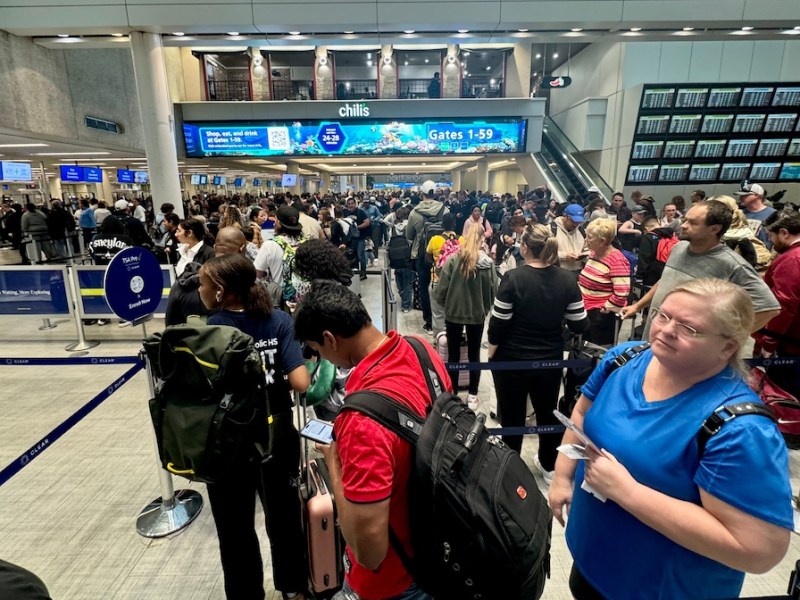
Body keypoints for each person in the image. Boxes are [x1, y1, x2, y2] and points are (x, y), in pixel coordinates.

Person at [549, 278, 793, 600]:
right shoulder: (623, 359)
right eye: (663, 316)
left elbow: (757, 550)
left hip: (661, 588)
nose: (665, 330)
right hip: (592, 561)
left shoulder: (741, 430)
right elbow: (581, 415)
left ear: (728, 347)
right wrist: (562, 476)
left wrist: (628, 492)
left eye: (689, 328)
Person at [293, 280, 452, 600]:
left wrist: (334, 463)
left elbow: (369, 553)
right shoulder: (422, 350)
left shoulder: (361, 420)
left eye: (317, 350)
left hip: (394, 581)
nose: (321, 357)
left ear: (329, 339)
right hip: (438, 551)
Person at [198, 254, 309, 600]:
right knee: (284, 517)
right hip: (276, 435)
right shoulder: (278, 319)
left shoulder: (207, 330)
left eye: (203, 284)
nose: (199, 290)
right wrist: (270, 379)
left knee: (234, 528)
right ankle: (293, 586)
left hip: (226, 443)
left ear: (220, 290)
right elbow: (301, 381)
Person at [488, 224, 587, 475]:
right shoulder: (567, 279)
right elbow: (579, 323)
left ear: (524, 248)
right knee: (546, 412)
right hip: (549, 359)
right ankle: (548, 465)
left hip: (511, 359)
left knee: (512, 416)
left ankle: (511, 470)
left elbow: (498, 323)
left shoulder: (513, 278)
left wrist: (491, 351)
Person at [621, 200, 780, 338]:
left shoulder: (732, 264)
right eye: (685, 220)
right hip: (656, 334)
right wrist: (637, 306)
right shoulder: (679, 248)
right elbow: (666, 280)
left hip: (686, 349)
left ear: (714, 229)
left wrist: (724, 340)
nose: (683, 226)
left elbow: (769, 308)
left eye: (693, 223)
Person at [434, 223, 497, 409]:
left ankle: (453, 394)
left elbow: (441, 290)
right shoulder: (487, 263)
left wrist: (447, 304)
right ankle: (473, 395)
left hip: (454, 313)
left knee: (453, 355)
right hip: (477, 314)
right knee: (474, 355)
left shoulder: (453, 260)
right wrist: (485, 307)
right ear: (482, 239)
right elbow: (494, 290)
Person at [754, 209, 800, 398]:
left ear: (784, 233)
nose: (771, 242)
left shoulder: (791, 260)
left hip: (790, 345)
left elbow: (784, 306)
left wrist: (769, 344)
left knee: (785, 397)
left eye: (771, 236)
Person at [579, 218, 630, 345]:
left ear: (602, 241)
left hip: (601, 316)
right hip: (587, 309)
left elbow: (622, 292)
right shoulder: (595, 253)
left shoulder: (617, 261)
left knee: (596, 350)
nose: (586, 240)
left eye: (589, 237)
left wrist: (605, 309)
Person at [406, 181, 447, 334]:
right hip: (442, 254)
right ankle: (443, 321)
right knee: (443, 286)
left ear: (421, 194)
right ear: (434, 193)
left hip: (421, 255)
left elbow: (409, 235)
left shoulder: (414, 212)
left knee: (424, 288)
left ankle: (429, 322)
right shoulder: (445, 210)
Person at [255, 204, 309, 306]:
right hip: (305, 300)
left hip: (282, 301)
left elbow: (257, 274)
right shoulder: (308, 242)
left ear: (278, 223)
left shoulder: (270, 245)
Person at [736, 182, 776, 250]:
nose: (740, 198)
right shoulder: (739, 213)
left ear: (756, 195)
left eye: (745, 195)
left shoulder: (773, 214)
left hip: (764, 252)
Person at [552, 203, 586, 277]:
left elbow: (586, 248)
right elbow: (545, 253)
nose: (575, 224)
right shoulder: (551, 230)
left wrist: (585, 255)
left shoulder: (581, 231)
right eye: (573, 221)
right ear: (566, 216)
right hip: (558, 273)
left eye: (578, 222)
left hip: (578, 272)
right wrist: (564, 256)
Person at [344, 197, 371, 280]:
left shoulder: (360, 212)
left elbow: (367, 222)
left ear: (355, 204)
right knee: (353, 256)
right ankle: (355, 274)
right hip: (350, 239)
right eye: (349, 204)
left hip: (360, 238)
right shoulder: (346, 213)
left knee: (361, 256)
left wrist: (357, 227)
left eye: (352, 203)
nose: (350, 205)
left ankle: (363, 273)